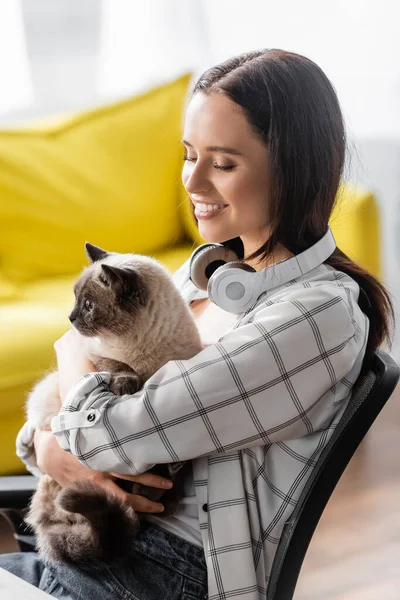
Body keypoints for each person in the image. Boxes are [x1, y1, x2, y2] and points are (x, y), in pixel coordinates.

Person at [1, 48, 394, 600]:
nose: (194, 182)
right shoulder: (205, 276)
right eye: (189, 155)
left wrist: (70, 354)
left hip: (157, 576)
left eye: (224, 163)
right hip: (91, 554)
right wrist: (49, 448)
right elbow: (60, 436)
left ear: (293, 169)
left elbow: (109, 433)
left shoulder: (315, 317)